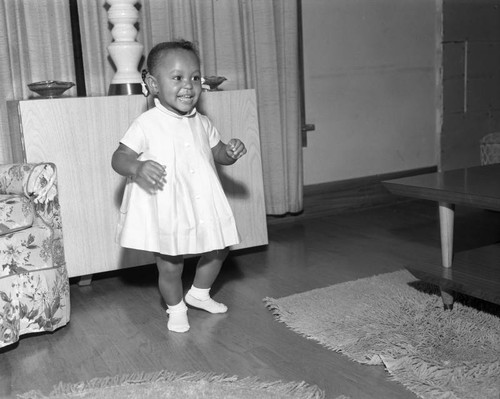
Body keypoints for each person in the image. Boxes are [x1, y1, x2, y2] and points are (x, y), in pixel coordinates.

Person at [111, 40, 247, 333]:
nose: (189, 85)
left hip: (202, 200)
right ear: (153, 83)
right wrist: (136, 166)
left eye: (195, 77)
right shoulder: (146, 123)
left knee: (219, 248)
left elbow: (218, 152)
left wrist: (230, 152)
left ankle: (199, 293)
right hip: (167, 204)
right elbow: (119, 158)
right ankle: (176, 308)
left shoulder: (203, 121)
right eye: (177, 78)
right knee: (170, 264)